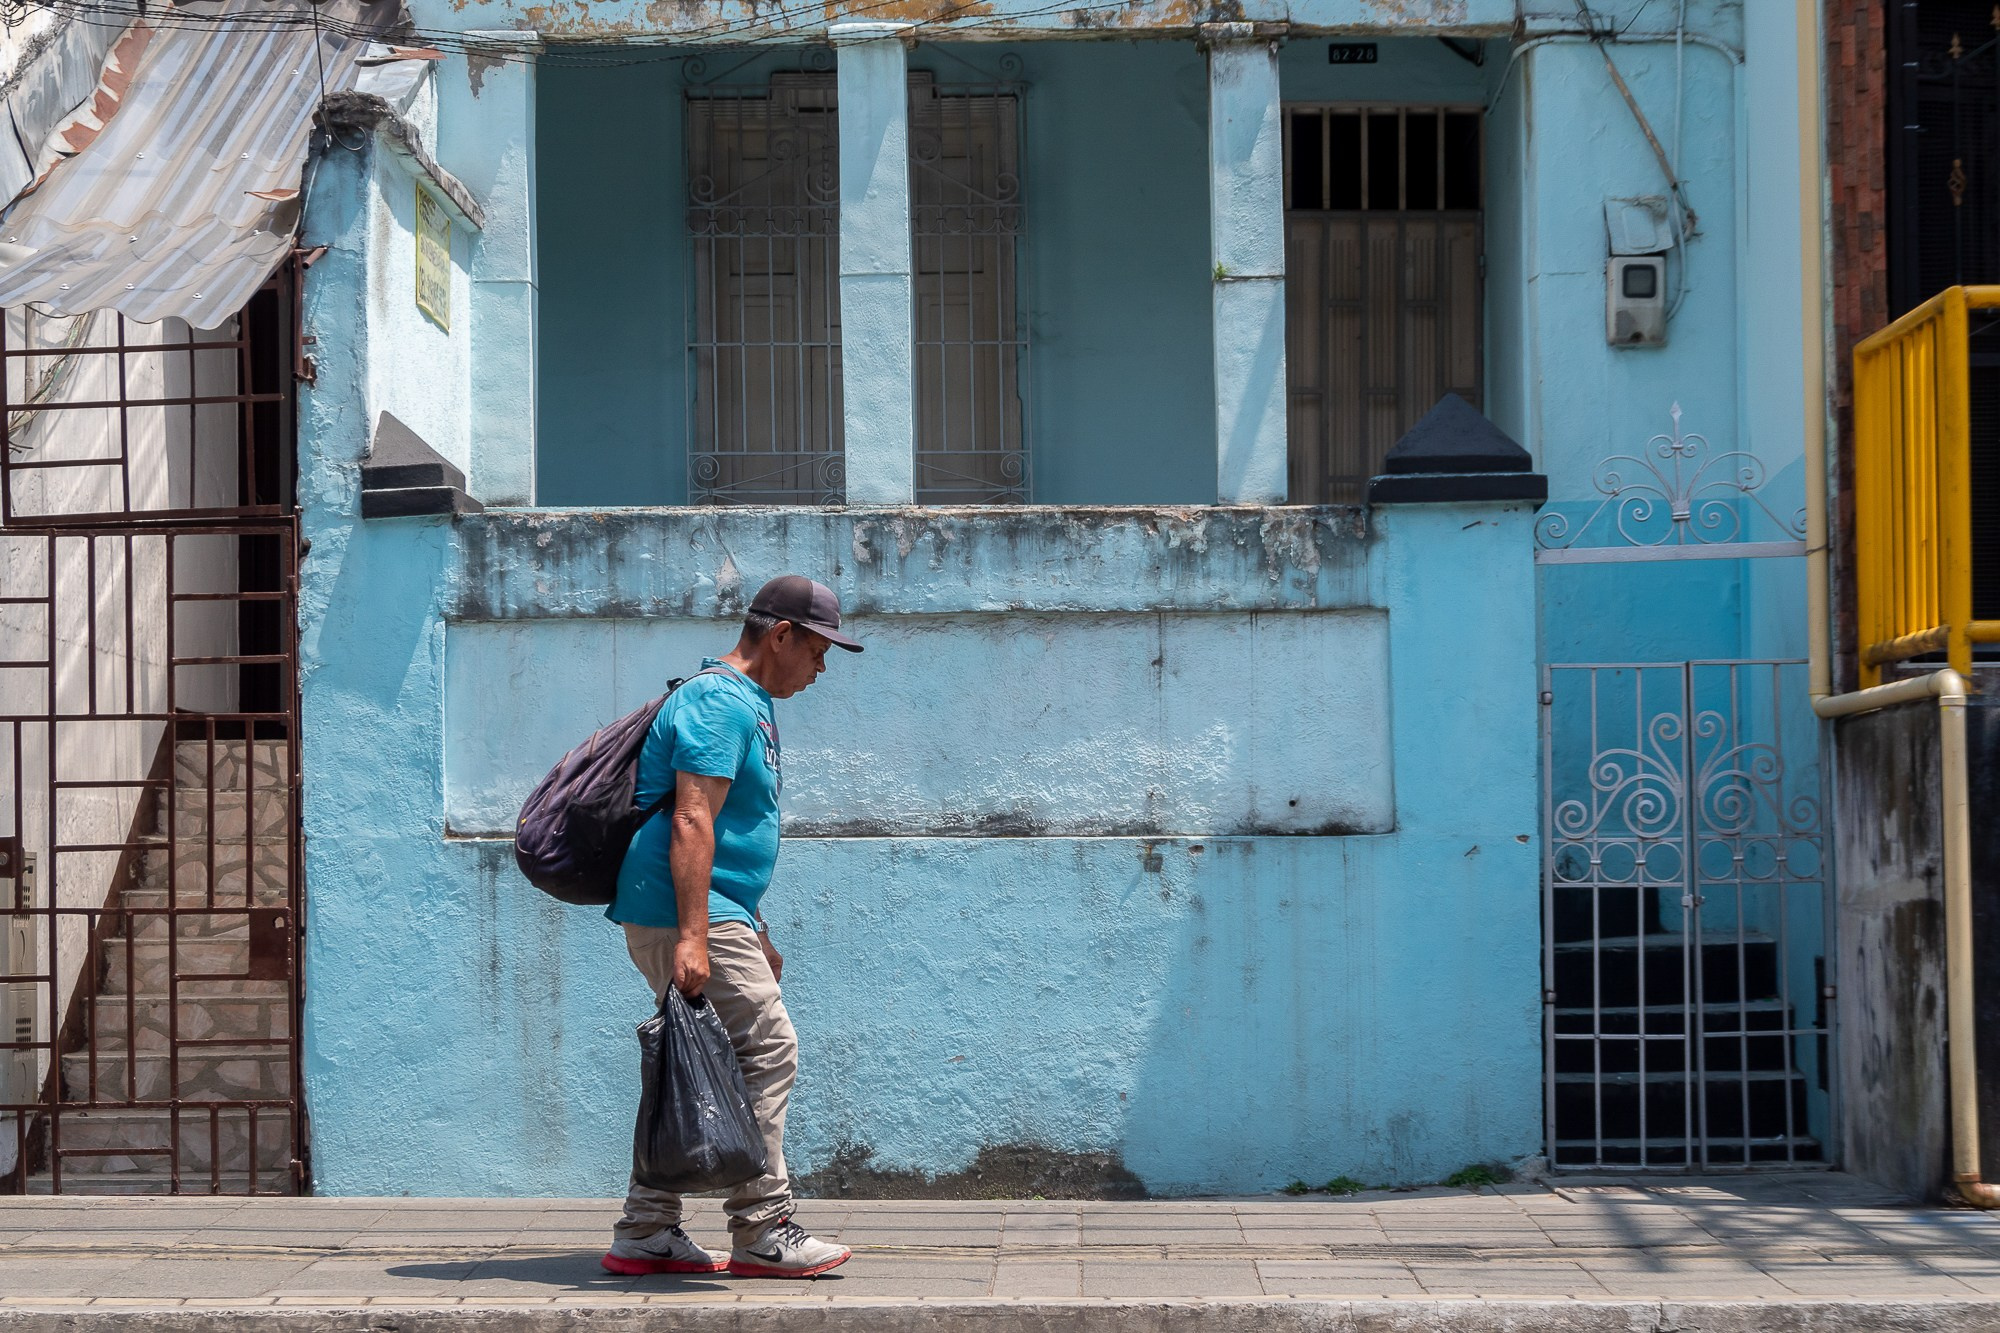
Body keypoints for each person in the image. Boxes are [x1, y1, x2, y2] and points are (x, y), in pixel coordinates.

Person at [600, 575, 861, 1280]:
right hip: (684, 909)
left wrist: (754, 924)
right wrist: (694, 934)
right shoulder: (720, 700)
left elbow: (734, 831)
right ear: (781, 635)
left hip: (708, 909)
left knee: (702, 1056)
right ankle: (763, 1227)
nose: (822, 667)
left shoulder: (746, 702)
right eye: (817, 649)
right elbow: (692, 817)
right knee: (768, 1047)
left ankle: (647, 1228)